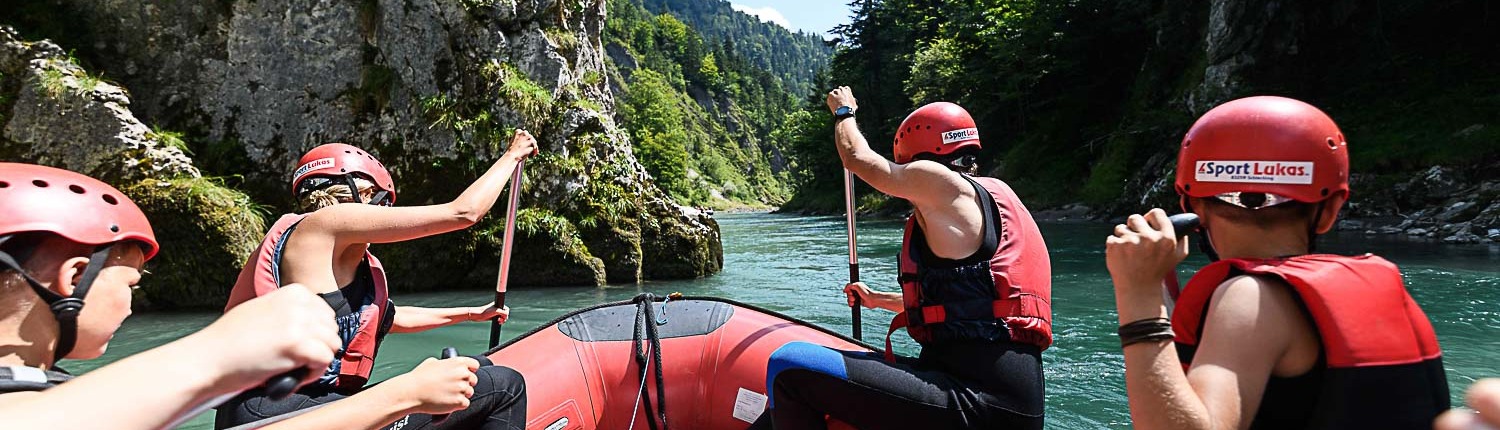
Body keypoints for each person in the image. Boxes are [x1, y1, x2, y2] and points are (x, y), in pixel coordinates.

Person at [1106, 96, 1449, 429]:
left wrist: (1139, 294)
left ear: (1192, 207)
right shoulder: (1381, 285)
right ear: (1330, 210)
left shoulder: (1249, 298)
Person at [762, 88, 1052, 429]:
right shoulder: (995, 197)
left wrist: (844, 112)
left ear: (918, 157)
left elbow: (856, 157)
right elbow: (966, 307)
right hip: (1009, 404)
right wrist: (877, 299)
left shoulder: (935, 178)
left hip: (973, 400)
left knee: (789, 367)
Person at [214, 131, 539, 429]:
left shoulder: (325, 255)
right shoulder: (328, 221)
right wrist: (512, 155)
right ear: (364, 192)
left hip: (295, 405)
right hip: (278, 412)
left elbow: (386, 318)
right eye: (381, 204)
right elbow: (464, 213)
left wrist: (471, 313)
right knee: (505, 386)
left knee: (478, 366)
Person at [0, 162, 343, 429]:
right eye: (131, 285)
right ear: (75, 277)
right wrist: (223, 348)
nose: (130, 307)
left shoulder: (44, 388)